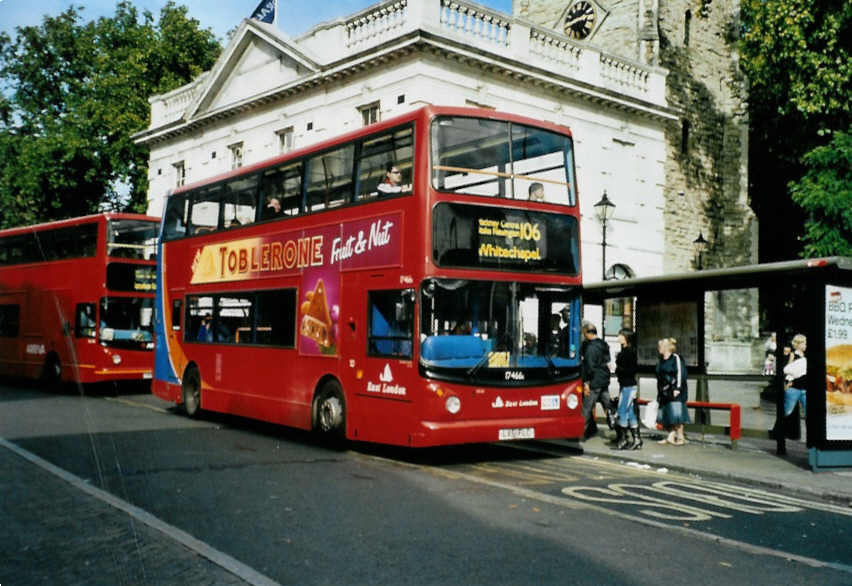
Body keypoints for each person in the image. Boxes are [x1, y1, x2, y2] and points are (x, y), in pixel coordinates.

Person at [580, 322, 612, 440]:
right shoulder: (603, 344)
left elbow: (589, 367)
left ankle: (580, 433)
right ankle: (618, 429)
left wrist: (586, 383)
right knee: (608, 406)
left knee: (586, 408)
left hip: (594, 382)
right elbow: (607, 360)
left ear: (588, 333)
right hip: (604, 379)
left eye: (584, 333)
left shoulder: (590, 348)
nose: (583, 336)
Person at [655, 337, 689, 445]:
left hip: (675, 390)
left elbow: (680, 373)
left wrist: (677, 388)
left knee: (676, 414)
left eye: (660, 346)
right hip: (664, 391)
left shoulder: (676, 358)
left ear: (666, 347)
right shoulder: (661, 360)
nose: (658, 348)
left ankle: (680, 437)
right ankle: (670, 435)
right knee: (665, 413)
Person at [614, 328, 642, 450]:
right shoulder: (626, 351)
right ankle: (637, 439)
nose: (618, 337)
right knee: (630, 412)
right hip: (627, 385)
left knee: (622, 412)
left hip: (628, 386)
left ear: (626, 337)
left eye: (620, 335)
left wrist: (618, 369)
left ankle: (623, 439)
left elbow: (631, 370)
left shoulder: (628, 352)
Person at [783, 334, 807, 418]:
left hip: (805, 387)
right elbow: (787, 370)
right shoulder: (792, 355)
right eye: (804, 343)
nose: (805, 345)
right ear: (799, 344)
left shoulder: (806, 356)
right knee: (788, 412)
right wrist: (788, 382)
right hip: (794, 388)